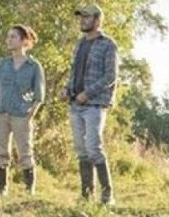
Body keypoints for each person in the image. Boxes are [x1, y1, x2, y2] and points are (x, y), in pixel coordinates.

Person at [61, 4, 119, 205]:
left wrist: (88, 93)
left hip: (95, 104)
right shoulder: (79, 44)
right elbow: (74, 72)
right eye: (81, 17)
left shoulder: (108, 45)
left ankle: (107, 195)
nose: (82, 20)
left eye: (86, 17)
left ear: (97, 20)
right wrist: (67, 89)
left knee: (94, 147)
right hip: (75, 103)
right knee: (81, 150)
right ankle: (86, 195)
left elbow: (110, 77)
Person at [0, 25, 45, 195]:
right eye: (8, 37)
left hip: (22, 113)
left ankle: (29, 189)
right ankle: (2, 188)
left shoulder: (33, 66)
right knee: (1, 151)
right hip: (1, 111)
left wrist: (31, 113)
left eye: (13, 37)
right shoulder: (2, 64)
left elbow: (39, 94)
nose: (9, 40)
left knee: (25, 152)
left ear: (24, 41)